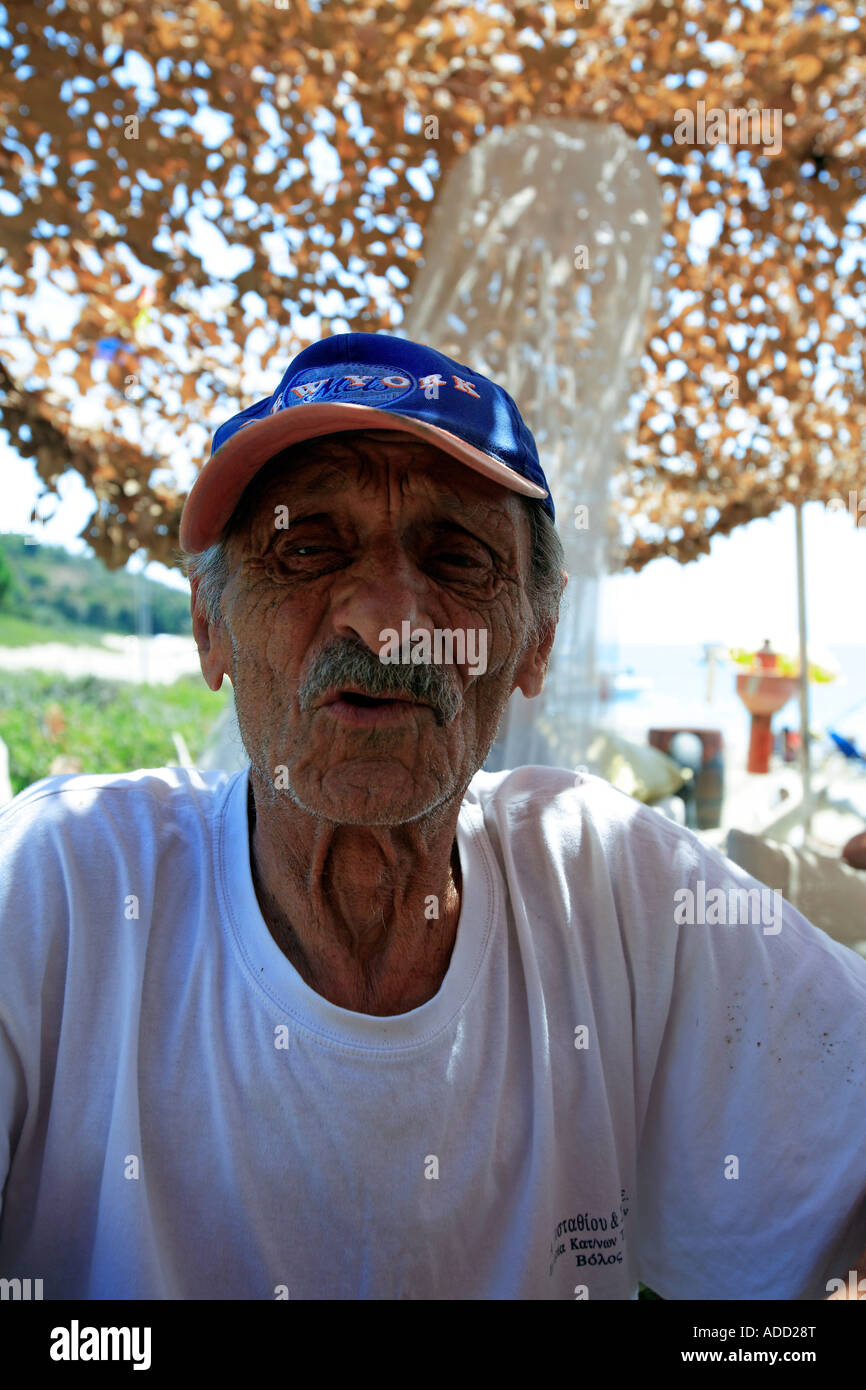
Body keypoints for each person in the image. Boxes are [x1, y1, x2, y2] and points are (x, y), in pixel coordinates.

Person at [1, 332, 864, 1301]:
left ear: (534, 640)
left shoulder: (608, 878)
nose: (383, 620)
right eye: (306, 548)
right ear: (212, 629)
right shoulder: (60, 889)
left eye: (455, 557)